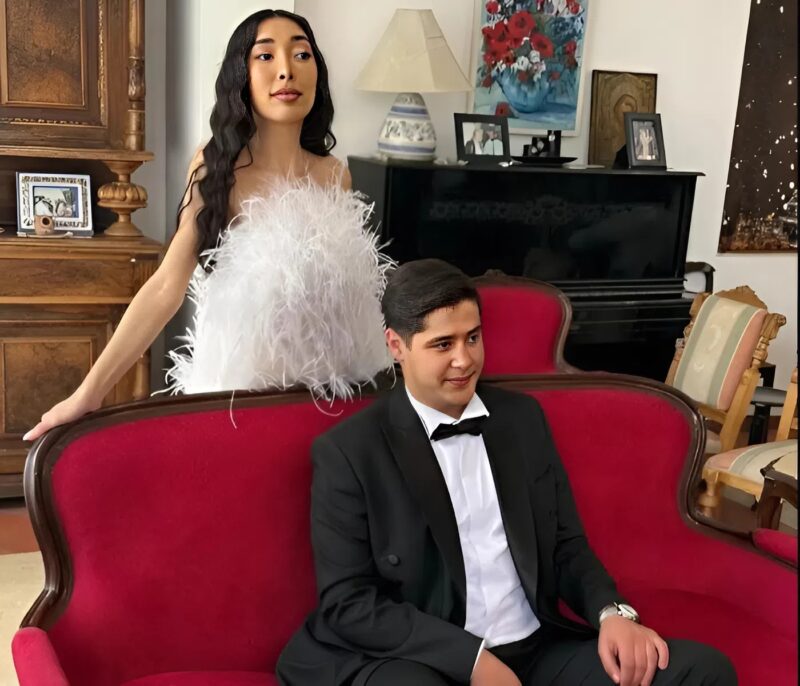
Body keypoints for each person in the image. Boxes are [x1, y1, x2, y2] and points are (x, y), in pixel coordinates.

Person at [276, 259, 737, 686]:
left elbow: (565, 545)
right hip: (428, 660)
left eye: (472, 338)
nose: (464, 359)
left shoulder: (522, 420)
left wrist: (612, 612)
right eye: (443, 344)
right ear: (397, 345)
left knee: (704, 671)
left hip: (537, 650)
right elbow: (349, 602)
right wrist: (471, 660)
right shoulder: (350, 452)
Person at [24, 9, 391, 442]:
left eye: (301, 54)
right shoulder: (217, 168)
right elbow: (166, 286)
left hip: (334, 399)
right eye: (266, 56)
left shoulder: (335, 174)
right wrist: (89, 393)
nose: (286, 70)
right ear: (241, 75)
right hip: (245, 402)